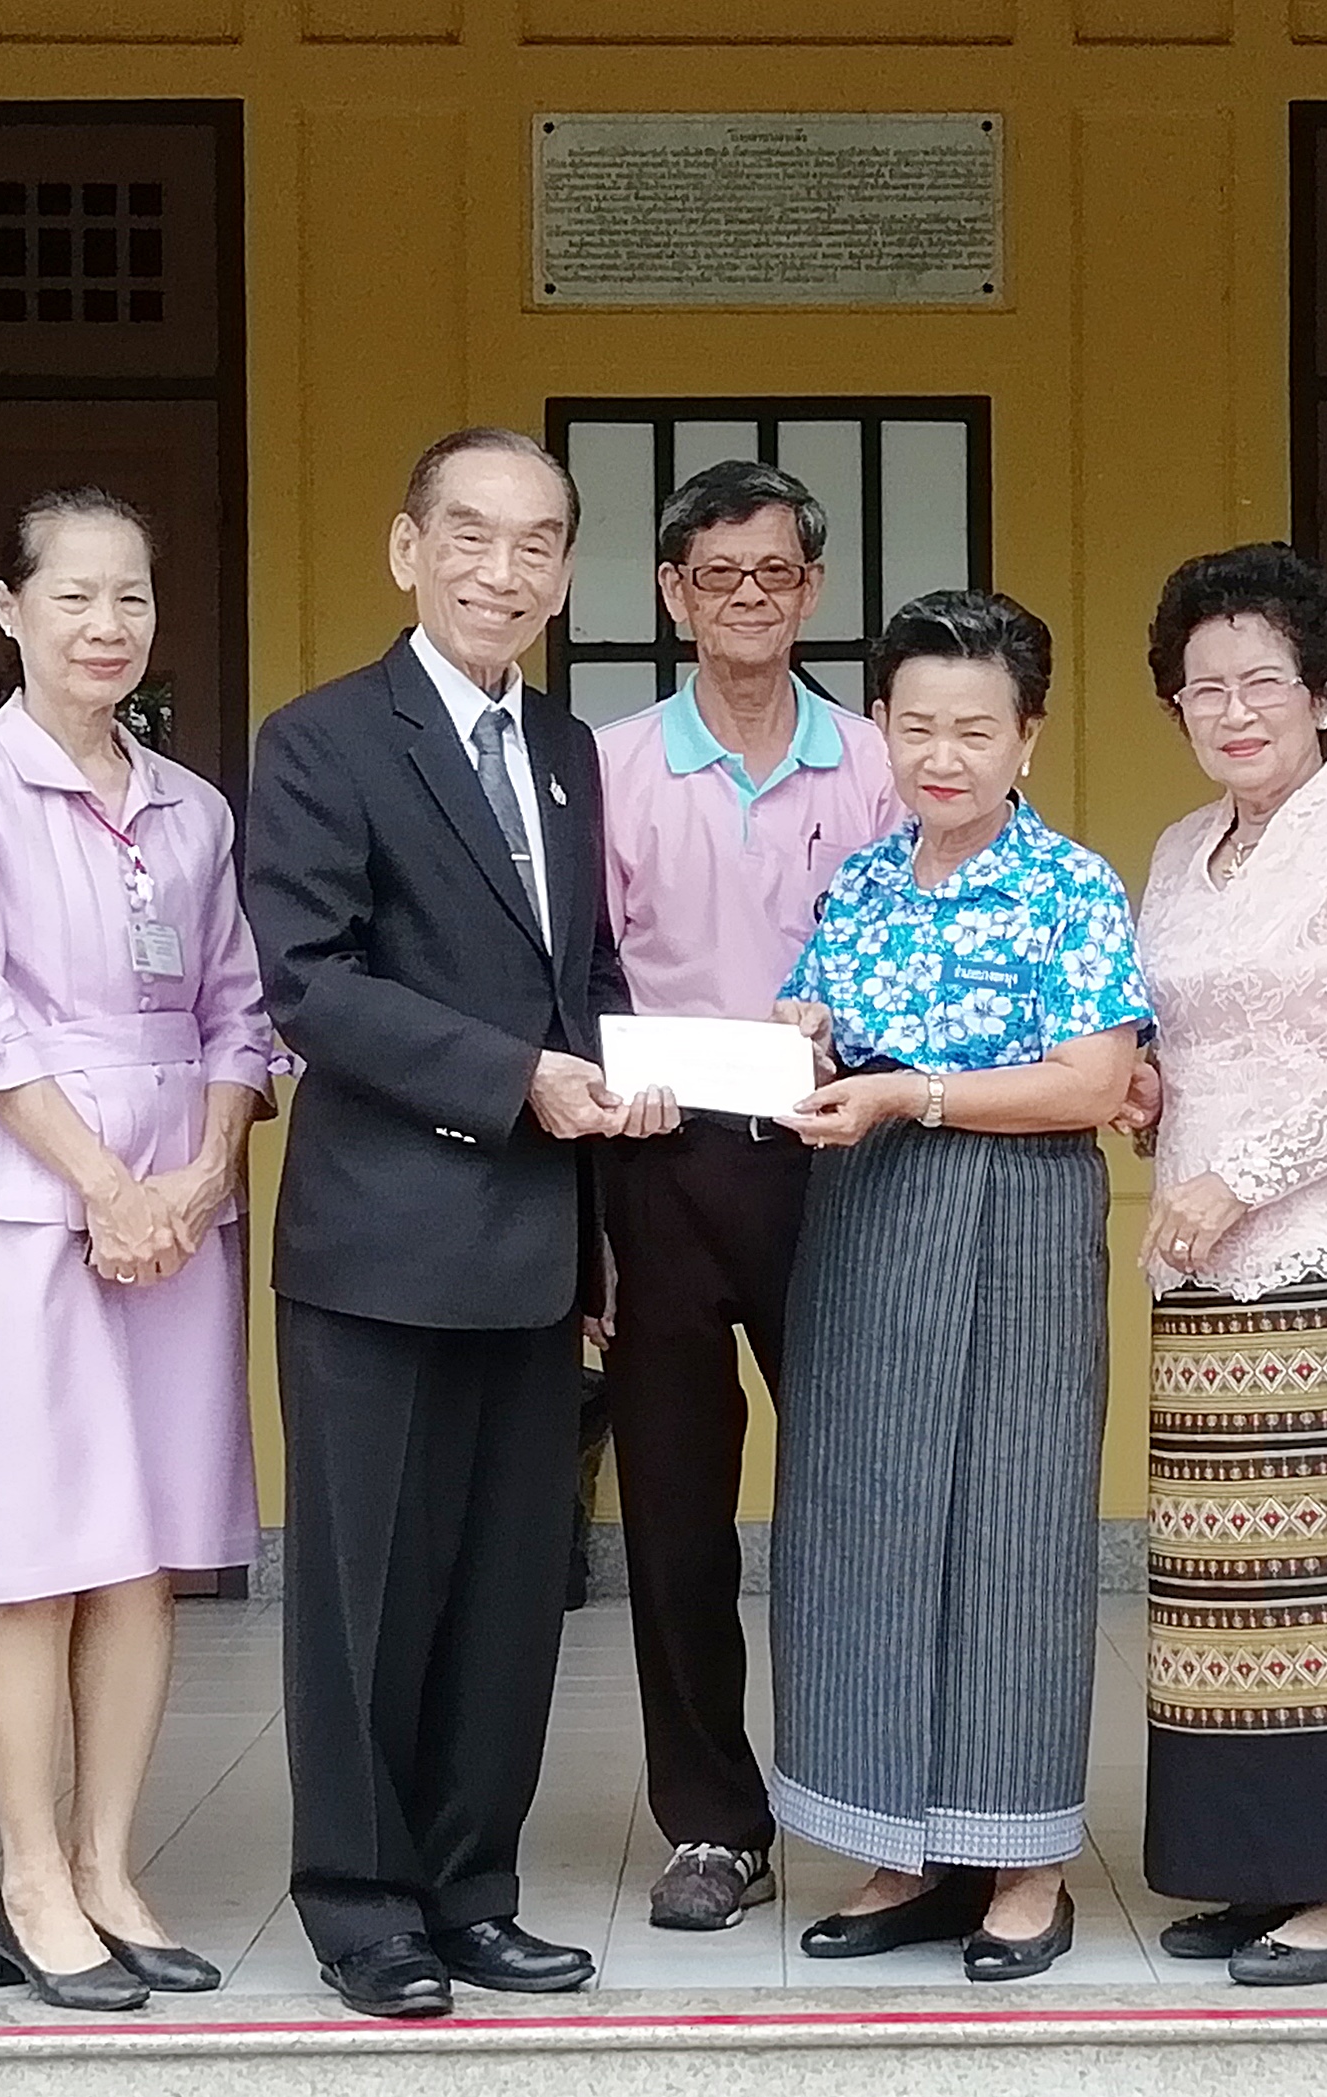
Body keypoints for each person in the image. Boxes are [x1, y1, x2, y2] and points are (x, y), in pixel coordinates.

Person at [244, 428, 680, 2020]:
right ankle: (364, 1905)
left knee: (508, 1593)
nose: (504, 571)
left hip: (536, 1238)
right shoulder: (319, 740)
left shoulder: (564, 747)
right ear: (407, 550)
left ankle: (471, 1889)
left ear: (565, 572)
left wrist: (645, 1078)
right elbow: (312, 982)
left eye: (537, 543)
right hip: (381, 1240)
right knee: (368, 1594)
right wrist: (517, 1078)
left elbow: (584, 978)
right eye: (473, 536)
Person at [0, 488, 288, 2010]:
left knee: (145, 1555)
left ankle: (111, 1863)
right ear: (10, 609)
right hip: (26, 1195)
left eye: (130, 596)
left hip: (181, 1202)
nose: (106, 625)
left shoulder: (195, 807)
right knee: (38, 1554)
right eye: (72, 596)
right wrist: (104, 1189)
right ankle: (30, 1881)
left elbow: (238, 1009)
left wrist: (197, 1175)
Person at [767, 589, 1150, 1985]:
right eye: (916, 724)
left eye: (975, 729)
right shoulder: (862, 882)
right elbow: (820, 1032)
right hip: (865, 1216)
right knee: (861, 1521)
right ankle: (901, 1849)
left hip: (1017, 1220)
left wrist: (910, 1092)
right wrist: (804, 1032)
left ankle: (1024, 1860)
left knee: (1013, 1528)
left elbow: (1094, 1082)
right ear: (880, 725)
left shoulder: (1071, 886)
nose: (943, 755)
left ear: (1027, 737)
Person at [1109, 544, 1327, 1987]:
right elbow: (1184, 1036)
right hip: (1202, 1268)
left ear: (1320, 693)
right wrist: (1144, 1092)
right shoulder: (1177, 851)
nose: (1234, 710)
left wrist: (1240, 1178)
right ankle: (1252, 1868)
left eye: (1263, 682)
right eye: (1205, 688)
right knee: (1220, 1590)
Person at [591, 460, 902, 1932]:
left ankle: (885, 1803)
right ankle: (713, 1823)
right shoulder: (609, 766)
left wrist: (857, 1031)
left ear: (812, 588)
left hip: (836, 1160)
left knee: (860, 1502)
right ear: (672, 593)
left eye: (775, 572)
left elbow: (923, 946)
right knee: (673, 1514)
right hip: (660, 1160)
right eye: (717, 574)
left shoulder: (880, 761)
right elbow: (579, 969)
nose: (748, 599)